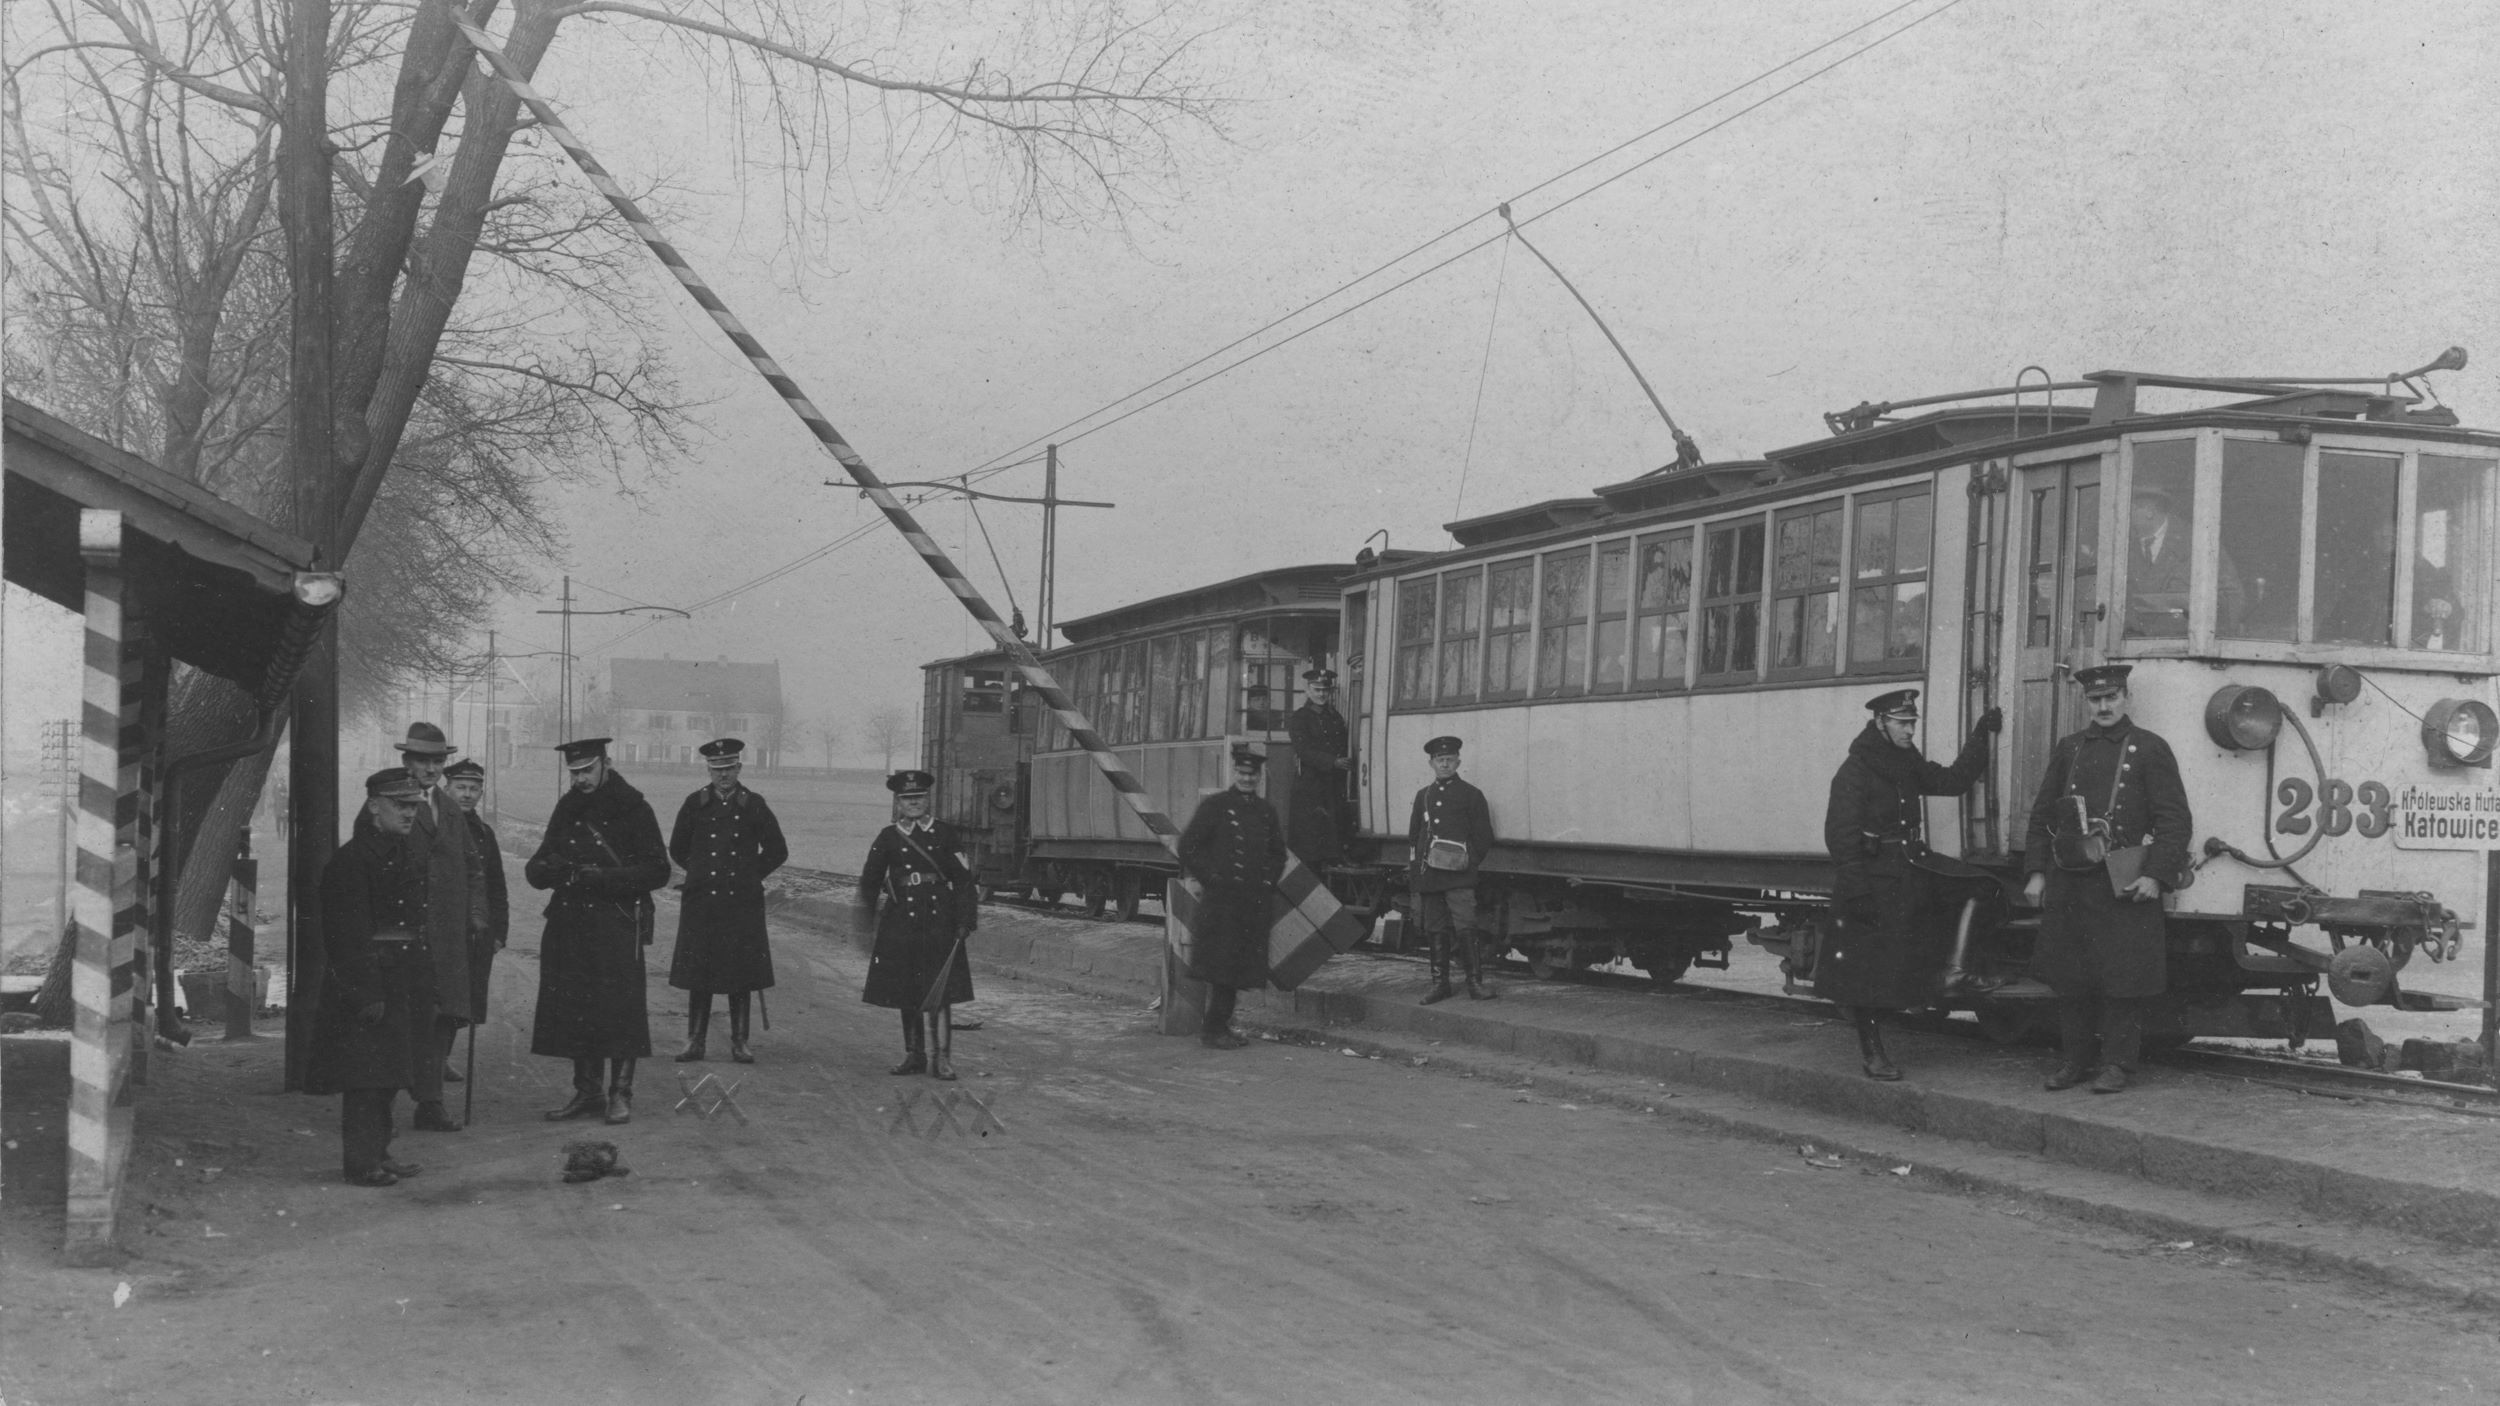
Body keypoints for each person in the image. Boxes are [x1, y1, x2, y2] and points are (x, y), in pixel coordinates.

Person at [2020, 664, 2193, 1095]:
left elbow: (2174, 820)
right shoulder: (2070, 749)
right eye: (2095, 700)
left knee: (2123, 979)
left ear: (2125, 698)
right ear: (2087, 703)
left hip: (2123, 882)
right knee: (2070, 978)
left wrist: (2156, 875)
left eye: (2111, 698)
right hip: (2071, 881)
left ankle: (2117, 1065)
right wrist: (2037, 872)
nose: (2103, 707)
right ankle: (2074, 1062)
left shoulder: (2150, 749)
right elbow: (2043, 816)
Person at [1819, 689, 2001, 1080]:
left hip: (1910, 868)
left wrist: (1981, 735)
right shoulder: (1856, 770)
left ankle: (1954, 973)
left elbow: (1952, 781)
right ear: (1880, 722)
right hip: (1873, 881)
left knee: (1982, 886)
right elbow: (1840, 837)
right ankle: (1873, 1054)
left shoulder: (1905, 760)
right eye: (1902, 723)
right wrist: (1857, 892)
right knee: (1869, 970)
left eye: (1913, 723)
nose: (1910, 730)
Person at [526, 738, 671, 1124]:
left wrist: (605, 877)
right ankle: (587, 1092)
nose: (580, 779)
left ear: (606, 763)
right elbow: (536, 866)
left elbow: (659, 870)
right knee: (576, 1007)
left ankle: (620, 1094)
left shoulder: (634, 807)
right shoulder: (567, 806)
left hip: (617, 922)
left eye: (587, 770)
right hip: (570, 922)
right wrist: (549, 870)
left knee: (621, 1010)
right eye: (574, 772)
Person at [305, 769, 438, 1188]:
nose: (409, 813)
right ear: (374, 805)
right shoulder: (351, 862)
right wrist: (366, 993)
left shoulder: (399, 853)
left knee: (390, 1074)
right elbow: (345, 936)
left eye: (414, 805)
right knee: (365, 1079)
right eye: (400, 805)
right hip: (368, 983)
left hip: (400, 979)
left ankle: (379, 1153)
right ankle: (361, 1164)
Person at [362, 722, 486, 1132]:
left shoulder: (451, 809)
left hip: (448, 937)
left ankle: (430, 1104)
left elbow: (472, 866)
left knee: (444, 1018)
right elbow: (367, 867)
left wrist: (476, 918)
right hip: (404, 934)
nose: (430, 769)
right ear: (406, 761)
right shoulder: (387, 804)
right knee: (400, 1021)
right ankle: (380, 1110)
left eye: (437, 761)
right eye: (422, 761)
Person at [667, 738, 789, 1064]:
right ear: (708, 769)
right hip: (703, 901)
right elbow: (677, 847)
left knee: (741, 972)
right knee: (699, 972)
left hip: (741, 902)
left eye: (729, 768)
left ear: (739, 768)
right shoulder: (695, 804)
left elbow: (778, 850)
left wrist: (750, 875)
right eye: (717, 769)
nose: (724, 775)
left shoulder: (754, 805)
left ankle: (740, 1042)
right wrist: (700, 873)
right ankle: (695, 1041)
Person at [858, 770, 977, 1079]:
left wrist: (965, 921)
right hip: (901, 924)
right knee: (906, 991)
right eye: (907, 799)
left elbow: (964, 882)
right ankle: (915, 1055)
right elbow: (869, 881)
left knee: (940, 992)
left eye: (919, 798)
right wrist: (866, 922)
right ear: (898, 802)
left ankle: (943, 1058)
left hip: (939, 922)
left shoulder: (945, 834)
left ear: (928, 800)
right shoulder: (888, 836)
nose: (913, 804)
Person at [1176, 744, 1288, 1050]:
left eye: (1252, 775)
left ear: (1260, 777)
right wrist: (1212, 878)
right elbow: (1188, 846)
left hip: (1252, 904)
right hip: (1222, 904)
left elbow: (1278, 854)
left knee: (1236, 970)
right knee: (1223, 969)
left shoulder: (1266, 812)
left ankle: (1218, 1027)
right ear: (1233, 772)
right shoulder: (1216, 806)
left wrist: (1266, 881)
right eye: (1242, 773)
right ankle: (1214, 1030)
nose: (1247, 779)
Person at [1407, 735, 1496, 1004]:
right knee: (1435, 928)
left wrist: (1468, 864)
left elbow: (1484, 837)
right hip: (1430, 876)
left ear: (1458, 761)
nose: (1444, 764)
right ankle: (1440, 985)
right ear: (1431, 763)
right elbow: (1414, 837)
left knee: (1465, 926)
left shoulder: (1471, 795)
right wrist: (1417, 875)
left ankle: (1474, 984)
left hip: (1459, 876)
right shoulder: (1423, 796)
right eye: (1439, 760)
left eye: (1449, 759)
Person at [443, 759, 507, 1056]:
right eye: (460, 787)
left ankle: (441, 1058)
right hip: (443, 927)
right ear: (447, 788)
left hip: (474, 929)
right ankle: (431, 1061)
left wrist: (498, 933)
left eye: (474, 789)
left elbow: (496, 886)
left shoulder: (484, 833)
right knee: (439, 999)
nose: (467, 794)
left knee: (464, 1000)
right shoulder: (434, 824)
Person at [2125, 486, 2245, 638]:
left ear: (2149, 511)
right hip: (2136, 646)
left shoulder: (2198, 542)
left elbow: (2232, 597)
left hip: (2185, 647)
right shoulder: (2123, 547)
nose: (2125, 517)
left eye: (2131, 509)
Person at [1285, 668, 1353, 866]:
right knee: (1311, 837)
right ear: (1308, 690)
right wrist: (1332, 762)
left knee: (1333, 830)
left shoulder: (1335, 717)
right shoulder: (1300, 717)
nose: (1321, 694)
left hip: (1333, 783)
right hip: (1310, 784)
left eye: (1325, 690)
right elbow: (1303, 750)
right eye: (1317, 690)